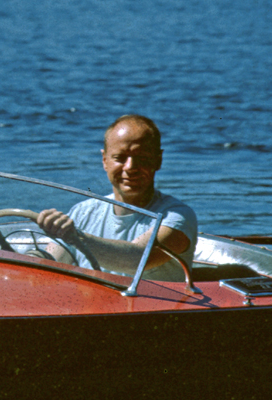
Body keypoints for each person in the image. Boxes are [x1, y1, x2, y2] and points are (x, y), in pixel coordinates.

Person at [37, 115, 197, 281]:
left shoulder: (177, 217)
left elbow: (137, 259)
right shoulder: (82, 212)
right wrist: (31, 256)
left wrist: (77, 237)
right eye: (120, 158)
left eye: (142, 158)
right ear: (105, 160)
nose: (130, 167)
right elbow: (51, 263)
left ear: (158, 160)